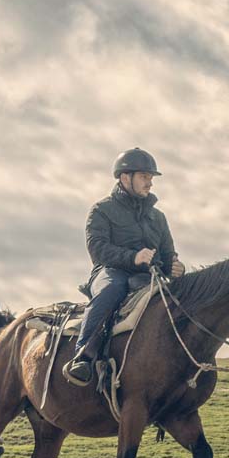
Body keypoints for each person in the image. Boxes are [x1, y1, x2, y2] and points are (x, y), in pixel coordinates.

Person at [63, 147, 185, 386]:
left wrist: (175, 266)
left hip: (149, 277)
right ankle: (83, 356)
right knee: (111, 291)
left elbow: (169, 254)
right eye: (144, 177)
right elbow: (97, 249)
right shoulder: (101, 210)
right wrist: (133, 257)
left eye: (151, 178)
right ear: (124, 177)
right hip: (110, 271)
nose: (149, 183)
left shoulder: (158, 218)